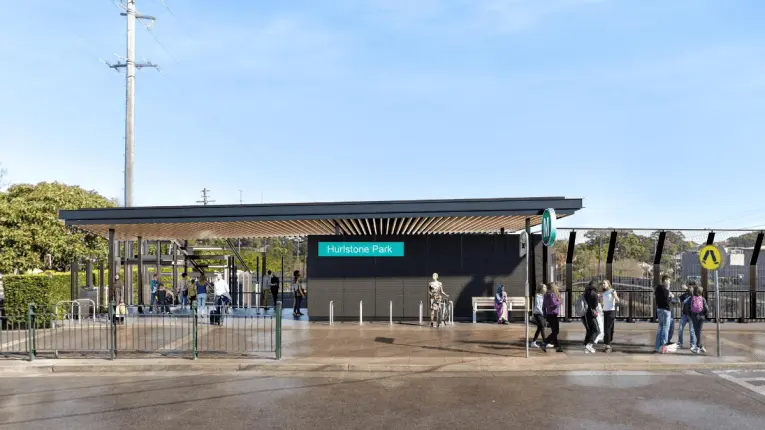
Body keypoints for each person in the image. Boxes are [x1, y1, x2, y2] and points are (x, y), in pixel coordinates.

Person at [685, 285, 710, 354]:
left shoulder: (692, 298)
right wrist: (704, 315)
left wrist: (690, 315)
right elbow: (707, 309)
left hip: (694, 316)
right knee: (699, 331)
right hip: (701, 316)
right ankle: (700, 346)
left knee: (697, 331)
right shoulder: (702, 299)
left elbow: (687, 308)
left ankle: (698, 346)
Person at [654, 274, 673, 353]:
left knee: (660, 328)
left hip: (659, 309)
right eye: (668, 280)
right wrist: (671, 296)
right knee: (666, 328)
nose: (669, 282)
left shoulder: (657, 288)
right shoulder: (666, 290)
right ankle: (664, 347)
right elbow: (667, 301)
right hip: (666, 310)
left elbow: (655, 296)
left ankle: (657, 346)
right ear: (665, 280)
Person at [543, 282, 563, 352]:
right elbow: (554, 304)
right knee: (556, 331)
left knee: (554, 331)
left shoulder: (546, 295)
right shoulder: (552, 295)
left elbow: (545, 305)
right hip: (553, 314)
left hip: (549, 314)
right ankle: (546, 341)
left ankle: (557, 346)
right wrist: (559, 301)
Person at [601, 280, 620, 353]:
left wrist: (614, 299)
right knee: (608, 328)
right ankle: (609, 342)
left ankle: (607, 345)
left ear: (608, 284)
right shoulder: (604, 292)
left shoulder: (612, 291)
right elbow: (603, 302)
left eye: (604, 283)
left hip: (611, 312)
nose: (603, 284)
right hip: (605, 312)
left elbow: (617, 299)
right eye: (602, 283)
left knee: (607, 328)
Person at [582, 280, 600, 353]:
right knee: (597, 330)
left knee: (590, 329)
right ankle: (589, 344)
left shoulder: (586, 292)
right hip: (591, 313)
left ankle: (586, 345)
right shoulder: (594, 294)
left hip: (585, 313)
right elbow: (595, 305)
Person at [678, 283, 696, 350]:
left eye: (692, 286)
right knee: (680, 328)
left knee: (691, 330)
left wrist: (687, 289)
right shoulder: (685, 294)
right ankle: (680, 343)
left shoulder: (695, 294)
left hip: (692, 315)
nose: (690, 287)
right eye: (689, 286)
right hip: (685, 314)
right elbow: (679, 299)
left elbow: (693, 294)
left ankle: (692, 344)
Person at [530, 284, 547, 351]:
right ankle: (545, 342)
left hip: (540, 314)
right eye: (544, 287)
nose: (545, 288)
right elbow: (537, 306)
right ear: (541, 288)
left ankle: (533, 342)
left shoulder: (542, 296)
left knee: (540, 327)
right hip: (537, 314)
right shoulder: (537, 296)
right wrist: (542, 313)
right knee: (542, 326)